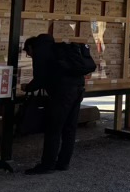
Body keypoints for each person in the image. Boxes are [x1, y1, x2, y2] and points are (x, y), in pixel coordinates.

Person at [24, 34, 85, 174]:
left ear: (30, 47)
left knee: (54, 129)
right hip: (78, 89)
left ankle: (47, 165)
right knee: (69, 129)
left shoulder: (40, 52)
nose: (30, 56)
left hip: (63, 93)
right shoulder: (57, 48)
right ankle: (63, 163)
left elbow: (40, 78)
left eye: (28, 54)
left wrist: (27, 88)